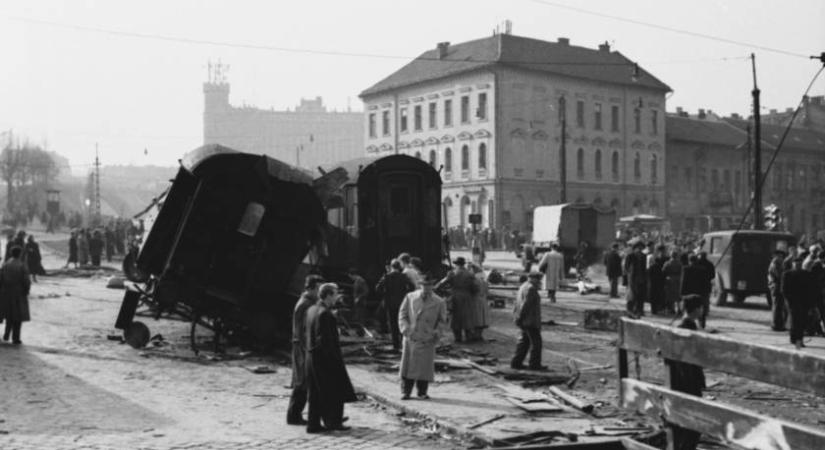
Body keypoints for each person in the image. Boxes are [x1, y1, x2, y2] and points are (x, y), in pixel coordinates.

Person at [305, 283, 357, 433]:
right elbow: (326, 342)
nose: (337, 297)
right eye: (335, 294)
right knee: (333, 391)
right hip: (324, 359)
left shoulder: (312, 309)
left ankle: (313, 424)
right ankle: (333, 422)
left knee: (315, 393)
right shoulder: (326, 314)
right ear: (328, 295)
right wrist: (334, 362)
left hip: (311, 357)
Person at [665, 294, 706, 450]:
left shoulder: (678, 326)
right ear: (697, 309)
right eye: (701, 307)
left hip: (677, 380)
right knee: (693, 423)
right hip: (688, 382)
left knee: (681, 423)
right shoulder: (688, 328)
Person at [398, 272, 447, 400]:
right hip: (411, 337)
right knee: (408, 366)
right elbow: (402, 315)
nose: (426, 288)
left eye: (429, 285)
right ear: (420, 285)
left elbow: (442, 321)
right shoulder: (410, 297)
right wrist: (406, 329)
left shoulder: (439, 301)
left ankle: (422, 392)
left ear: (433, 286)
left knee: (424, 368)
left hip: (427, 338)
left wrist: (435, 333)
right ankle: (406, 392)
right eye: (424, 285)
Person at [286, 274, 324, 426]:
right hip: (302, 347)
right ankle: (293, 416)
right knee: (301, 382)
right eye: (319, 288)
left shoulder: (309, 302)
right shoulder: (305, 304)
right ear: (313, 287)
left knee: (303, 382)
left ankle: (294, 416)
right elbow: (303, 330)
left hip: (303, 346)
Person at [435, 257, 478, 342]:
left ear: (456, 264)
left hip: (455, 296)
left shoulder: (452, 273)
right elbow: (475, 288)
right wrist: (472, 294)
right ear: (463, 264)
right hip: (467, 297)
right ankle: (468, 336)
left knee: (455, 317)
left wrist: (444, 291)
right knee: (467, 317)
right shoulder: (470, 274)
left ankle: (458, 337)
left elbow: (441, 284)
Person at [375, 260, 416, 350]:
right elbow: (412, 287)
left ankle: (395, 345)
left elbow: (378, 288)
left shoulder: (386, 277)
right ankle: (403, 343)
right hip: (402, 303)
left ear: (391, 266)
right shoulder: (404, 276)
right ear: (399, 267)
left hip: (390, 304)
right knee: (402, 322)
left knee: (392, 324)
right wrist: (406, 294)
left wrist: (385, 294)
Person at [511, 271, 546, 370]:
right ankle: (534, 364)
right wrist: (520, 317)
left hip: (524, 320)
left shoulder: (523, 286)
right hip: (530, 320)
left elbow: (518, 303)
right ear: (533, 278)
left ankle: (516, 362)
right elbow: (525, 305)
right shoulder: (531, 289)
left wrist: (517, 317)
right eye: (538, 279)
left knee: (524, 342)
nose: (539, 282)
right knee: (536, 343)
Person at [782, 255, 819, 349]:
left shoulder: (806, 274)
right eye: (796, 264)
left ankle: (796, 340)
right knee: (796, 322)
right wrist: (789, 301)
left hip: (803, 302)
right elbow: (784, 289)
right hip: (793, 302)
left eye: (799, 264)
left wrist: (811, 303)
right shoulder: (787, 274)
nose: (798, 266)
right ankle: (797, 341)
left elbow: (811, 290)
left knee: (800, 322)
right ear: (793, 264)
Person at [0, 246, 32, 344]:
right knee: (18, 316)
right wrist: (26, 290)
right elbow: (26, 281)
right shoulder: (21, 265)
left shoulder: (5, 264)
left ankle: (6, 335)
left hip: (6, 293)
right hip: (18, 293)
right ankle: (15, 337)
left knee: (9, 315)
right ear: (20, 254)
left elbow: (1, 279)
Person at [681, 255, 710, 328]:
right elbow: (705, 282)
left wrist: (682, 293)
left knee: (688, 308)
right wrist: (705, 292)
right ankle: (701, 323)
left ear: (689, 261)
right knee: (699, 307)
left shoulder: (686, 269)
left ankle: (686, 322)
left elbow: (683, 281)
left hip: (688, 293)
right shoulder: (703, 270)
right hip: (699, 293)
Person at [623, 241, 647, 317]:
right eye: (638, 248)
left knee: (641, 295)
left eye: (641, 248)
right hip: (632, 279)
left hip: (642, 279)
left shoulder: (644, 256)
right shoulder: (630, 256)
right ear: (635, 248)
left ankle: (639, 310)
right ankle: (630, 310)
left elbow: (645, 268)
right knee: (632, 295)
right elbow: (626, 268)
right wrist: (627, 278)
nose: (640, 250)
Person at [467, 263, 490, 341]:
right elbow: (487, 291)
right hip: (483, 299)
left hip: (475, 300)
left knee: (476, 318)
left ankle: (474, 335)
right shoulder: (484, 280)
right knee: (482, 318)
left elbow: (472, 290)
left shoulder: (474, 280)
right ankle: (479, 335)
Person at [768, 250, 789, 331]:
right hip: (776, 286)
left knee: (778, 306)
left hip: (775, 286)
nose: (781, 257)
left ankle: (778, 324)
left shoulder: (776, 263)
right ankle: (777, 325)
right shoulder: (776, 263)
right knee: (777, 306)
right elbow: (779, 275)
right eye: (780, 256)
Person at [647, 245, 667, 315]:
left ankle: (653, 310)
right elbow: (663, 274)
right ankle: (659, 309)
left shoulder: (651, 267)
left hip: (652, 283)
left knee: (653, 297)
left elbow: (648, 274)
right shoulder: (661, 267)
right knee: (659, 296)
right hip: (659, 283)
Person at [662, 251, 683, 315]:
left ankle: (672, 309)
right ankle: (679, 309)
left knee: (671, 294)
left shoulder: (667, 263)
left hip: (670, 279)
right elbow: (682, 271)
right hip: (678, 279)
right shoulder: (679, 263)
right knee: (678, 295)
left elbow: (663, 270)